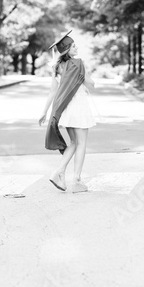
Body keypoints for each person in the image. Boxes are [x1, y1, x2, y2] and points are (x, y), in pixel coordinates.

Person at [39, 30, 96, 193]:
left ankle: (59, 172)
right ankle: (76, 180)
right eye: (73, 46)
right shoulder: (78, 64)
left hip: (66, 110)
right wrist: (87, 75)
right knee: (82, 143)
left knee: (73, 143)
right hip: (79, 107)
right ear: (67, 50)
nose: (76, 48)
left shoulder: (56, 67)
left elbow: (52, 92)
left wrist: (44, 112)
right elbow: (91, 84)